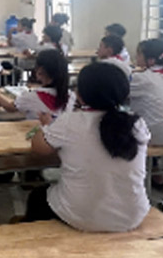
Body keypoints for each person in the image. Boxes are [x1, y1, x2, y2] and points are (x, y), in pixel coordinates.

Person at [19, 62, 150, 232]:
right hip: (133, 215)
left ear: (80, 94)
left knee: (37, 196)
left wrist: (45, 126)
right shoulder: (137, 123)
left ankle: (34, 236)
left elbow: (39, 148)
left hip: (83, 217)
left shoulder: (70, 122)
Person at [0, 49, 75, 120]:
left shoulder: (32, 96)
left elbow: (11, 108)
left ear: (40, 71)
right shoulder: (71, 96)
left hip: (38, 133)